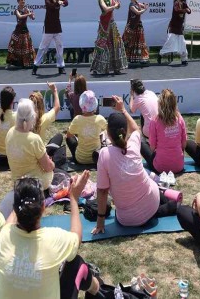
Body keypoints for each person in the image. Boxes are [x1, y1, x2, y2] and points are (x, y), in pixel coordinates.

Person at [0, 173, 104, 299]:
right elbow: (77, 237)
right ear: (43, 207)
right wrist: (73, 198)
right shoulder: (53, 239)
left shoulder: (5, 236)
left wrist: (22, 193)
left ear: (15, 207)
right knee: (76, 263)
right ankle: (99, 290)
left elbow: (13, 216)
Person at [92, 96, 178, 234]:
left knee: (146, 178)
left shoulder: (104, 154)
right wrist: (123, 110)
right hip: (151, 203)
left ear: (108, 134)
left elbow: (102, 191)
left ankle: (167, 206)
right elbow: (136, 129)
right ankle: (167, 204)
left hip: (126, 219)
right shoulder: (133, 144)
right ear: (124, 132)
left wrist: (100, 223)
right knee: (148, 180)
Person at [5, 99, 55, 194]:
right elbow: (48, 167)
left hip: (17, 182)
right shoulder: (34, 139)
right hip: (35, 184)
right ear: (32, 116)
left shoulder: (10, 132)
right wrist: (52, 163)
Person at [141, 89, 187, 174]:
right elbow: (184, 143)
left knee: (141, 142)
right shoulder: (180, 119)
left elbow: (152, 147)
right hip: (179, 165)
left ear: (160, 103)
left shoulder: (155, 121)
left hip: (160, 167)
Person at [33, 0, 69, 76]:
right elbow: (49, 6)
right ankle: (35, 66)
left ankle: (61, 67)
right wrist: (59, 3)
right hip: (49, 25)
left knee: (59, 46)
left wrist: (62, 2)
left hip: (57, 25)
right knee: (43, 47)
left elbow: (66, 2)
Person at [89, 0, 128, 75]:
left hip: (112, 24)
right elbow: (106, 9)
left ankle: (116, 67)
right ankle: (97, 67)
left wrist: (118, 5)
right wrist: (115, 6)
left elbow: (116, 6)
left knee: (116, 44)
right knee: (103, 46)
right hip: (105, 25)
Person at [66, 91, 107, 165]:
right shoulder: (100, 119)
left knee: (68, 139)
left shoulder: (77, 119)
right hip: (96, 157)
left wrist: (78, 136)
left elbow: (69, 135)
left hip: (81, 159)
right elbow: (108, 130)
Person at [158, 0, 192, 66]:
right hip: (173, 27)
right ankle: (160, 54)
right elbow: (177, 10)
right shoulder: (176, 3)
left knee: (183, 44)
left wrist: (188, 9)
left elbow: (189, 11)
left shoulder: (184, 4)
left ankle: (184, 59)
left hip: (179, 28)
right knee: (169, 44)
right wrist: (185, 10)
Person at [29, 83, 64, 155]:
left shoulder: (22, 119)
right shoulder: (44, 118)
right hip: (40, 153)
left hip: (27, 152)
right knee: (59, 137)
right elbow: (57, 107)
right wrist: (54, 90)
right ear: (42, 104)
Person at [6, 0, 36, 68]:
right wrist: (28, 14)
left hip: (25, 31)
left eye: (24, 0)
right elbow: (20, 16)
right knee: (13, 46)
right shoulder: (16, 10)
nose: (23, 1)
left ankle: (26, 63)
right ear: (18, 1)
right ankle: (10, 63)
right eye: (21, 0)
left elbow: (33, 18)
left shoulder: (27, 9)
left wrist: (32, 15)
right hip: (17, 31)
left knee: (27, 47)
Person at [122, 0, 149, 64]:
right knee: (129, 43)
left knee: (139, 42)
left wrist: (144, 5)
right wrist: (145, 9)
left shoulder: (137, 3)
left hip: (138, 26)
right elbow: (138, 12)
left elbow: (142, 5)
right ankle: (126, 58)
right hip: (132, 27)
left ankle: (141, 58)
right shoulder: (131, 5)